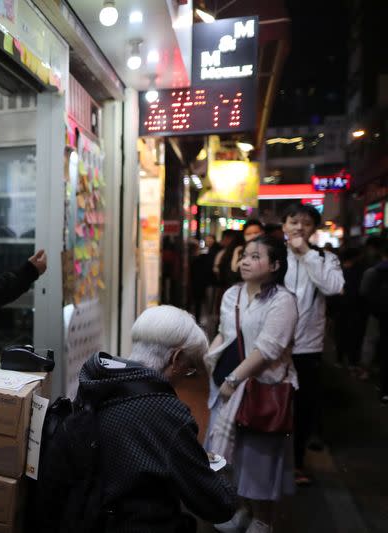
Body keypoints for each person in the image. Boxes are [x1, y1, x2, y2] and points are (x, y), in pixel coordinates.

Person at [49, 306, 237, 532]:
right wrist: (220, 471)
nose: (185, 376)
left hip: (87, 519)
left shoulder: (96, 383)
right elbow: (218, 505)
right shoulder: (167, 414)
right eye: (188, 370)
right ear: (175, 359)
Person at [205, 235, 298, 533]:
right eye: (244, 255)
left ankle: (263, 519)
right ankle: (243, 509)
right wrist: (207, 359)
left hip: (261, 387)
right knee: (233, 456)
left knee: (260, 459)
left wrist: (235, 378)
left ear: (275, 265)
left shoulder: (283, 301)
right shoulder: (232, 294)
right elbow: (224, 333)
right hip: (225, 385)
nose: (245, 260)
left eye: (255, 256)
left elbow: (267, 350)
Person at [282, 204, 344, 485]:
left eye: (305, 223)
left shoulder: (324, 258)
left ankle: (296, 462)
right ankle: (272, 464)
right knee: (270, 404)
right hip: (273, 346)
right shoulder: (274, 256)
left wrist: (306, 255)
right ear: (284, 226)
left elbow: (333, 287)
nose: (298, 228)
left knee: (303, 408)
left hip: (307, 347)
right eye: (293, 221)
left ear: (313, 230)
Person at [359, 238, 388, 404]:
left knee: (372, 341)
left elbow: (364, 292)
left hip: (378, 314)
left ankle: (366, 370)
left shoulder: (373, 271)